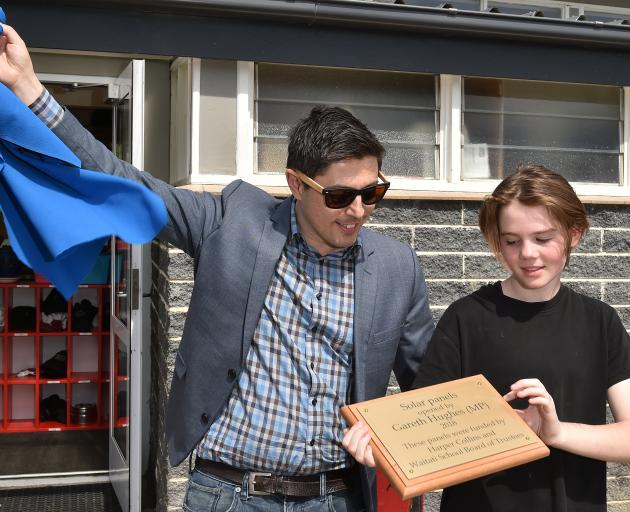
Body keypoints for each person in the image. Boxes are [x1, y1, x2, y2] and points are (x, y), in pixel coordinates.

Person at [0, 23, 435, 512]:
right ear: (296, 183)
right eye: (340, 195)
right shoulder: (229, 223)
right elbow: (121, 177)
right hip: (229, 494)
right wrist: (27, 89)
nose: (358, 210)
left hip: (338, 497)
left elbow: (429, 388)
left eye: (372, 193)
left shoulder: (398, 267)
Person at [343, 165, 630, 512]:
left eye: (542, 238)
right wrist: (380, 445)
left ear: (574, 234)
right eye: (511, 241)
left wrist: (555, 433)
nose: (527, 253)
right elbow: (421, 430)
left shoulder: (599, 321)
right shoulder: (465, 318)